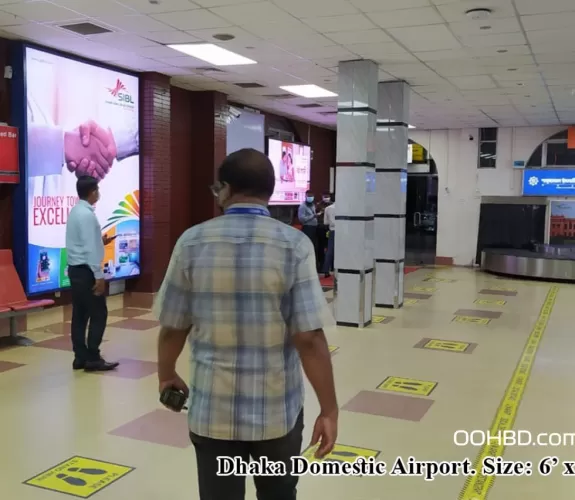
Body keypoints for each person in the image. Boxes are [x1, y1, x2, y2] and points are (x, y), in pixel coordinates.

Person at [154, 148, 338, 500]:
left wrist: (166, 373)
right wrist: (329, 409)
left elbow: (173, 326)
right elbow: (309, 338)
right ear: (269, 191)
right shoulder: (295, 245)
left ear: (226, 189)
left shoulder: (191, 242)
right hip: (277, 414)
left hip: (212, 412)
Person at [65, 176, 119, 372]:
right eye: (97, 189)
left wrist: (100, 241)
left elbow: (84, 242)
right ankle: (93, 357)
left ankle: (80, 357)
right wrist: (99, 276)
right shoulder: (87, 215)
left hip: (76, 270)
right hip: (87, 271)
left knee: (80, 314)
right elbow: (88, 249)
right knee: (98, 313)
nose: (99, 193)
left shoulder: (76, 211)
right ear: (92, 192)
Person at [298, 190, 321, 268]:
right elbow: (301, 219)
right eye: (309, 196)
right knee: (308, 246)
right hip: (308, 228)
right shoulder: (302, 206)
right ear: (306, 196)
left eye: (311, 196)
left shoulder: (313, 205)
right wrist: (313, 216)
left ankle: (315, 265)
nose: (310, 198)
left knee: (315, 246)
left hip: (315, 228)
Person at [316, 192, 332, 271]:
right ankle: (322, 266)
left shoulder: (333, 205)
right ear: (322, 197)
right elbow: (316, 215)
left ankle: (331, 266)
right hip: (321, 228)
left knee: (330, 248)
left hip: (330, 228)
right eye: (325, 196)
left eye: (327, 196)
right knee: (321, 247)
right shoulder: (318, 205)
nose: (326, 198)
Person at [322, 193, 335, 278]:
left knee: (329, 251)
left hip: (332, 231)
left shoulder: (327, 208)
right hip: (344, 232)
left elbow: (325, 222)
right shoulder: (345, 207)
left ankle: (326, 271)